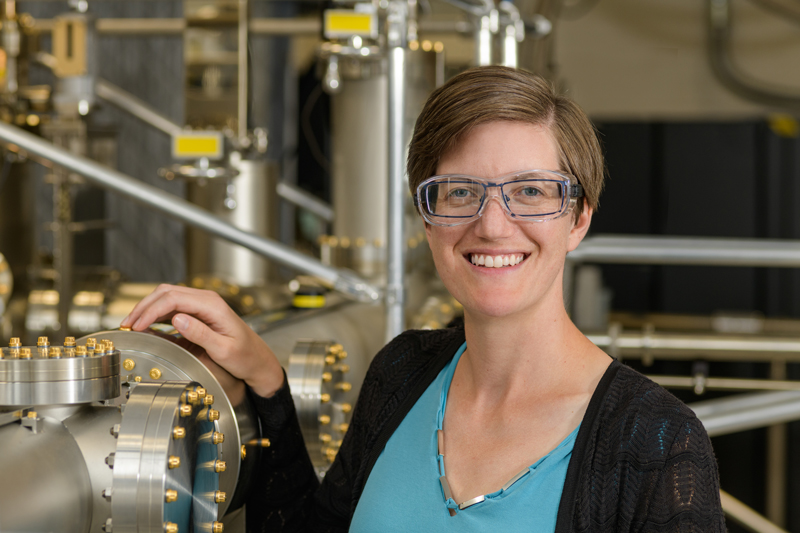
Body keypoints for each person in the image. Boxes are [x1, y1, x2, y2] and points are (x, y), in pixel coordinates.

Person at [122, 66, 726, 532]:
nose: (492, 225)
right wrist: (267, 383)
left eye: (531, 191)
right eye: (460, 191)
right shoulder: (402, 371)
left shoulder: (656, 443)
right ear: (427, 218)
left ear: (578, 218)